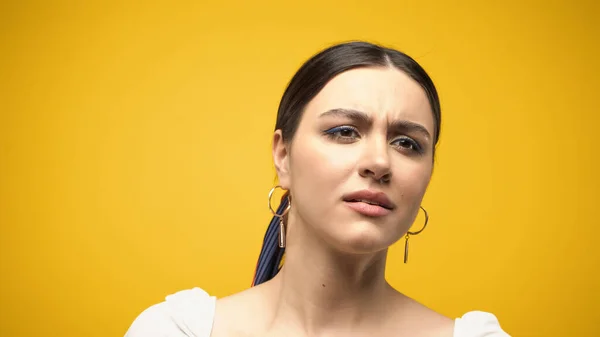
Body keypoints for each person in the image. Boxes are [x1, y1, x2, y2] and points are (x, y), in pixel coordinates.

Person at [125, 41, 510, 337]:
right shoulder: (175, 330)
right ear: (283, 157)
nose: (379, 162)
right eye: (344, 132)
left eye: (407, 143)